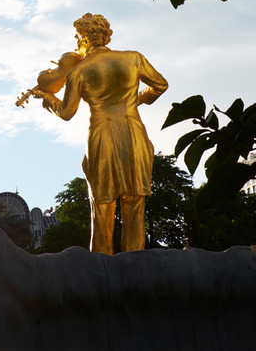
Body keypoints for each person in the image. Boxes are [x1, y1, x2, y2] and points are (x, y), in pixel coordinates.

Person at [36, 13, 168, 254]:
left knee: (102, 206)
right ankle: (135, 269)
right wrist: (135, 101)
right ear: (105, 35)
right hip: (133, 131)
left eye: (77, 38)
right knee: (135, 202)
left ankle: (102, 271)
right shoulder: (134, 58)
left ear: (84, 39)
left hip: (102, 134)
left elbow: (66, 113)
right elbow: (161, 85)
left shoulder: (79, 72)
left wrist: (48, 98)